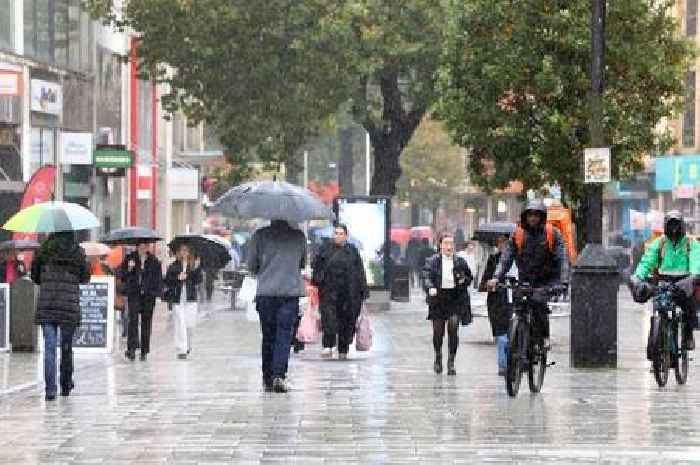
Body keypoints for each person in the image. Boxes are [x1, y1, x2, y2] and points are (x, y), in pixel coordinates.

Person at [487, 200, 569, 350]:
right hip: (525, 279)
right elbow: (506, 258)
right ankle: (518, 342)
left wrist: (563, 281)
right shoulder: (518, 234)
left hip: (546, 280)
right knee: (518, 306)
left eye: (536, 215)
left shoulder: (552, 233)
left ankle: (544, 337)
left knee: (538, 304)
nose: (533, 219)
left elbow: (563, 258)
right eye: (530, 215)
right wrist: (496, 277)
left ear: (542, 217)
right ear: (525, 216)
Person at [630, 210, 700, 357]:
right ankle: (655, 345)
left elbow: (696, 262)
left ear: (682, 226)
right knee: (659, 308)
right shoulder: (659, 243)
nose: (674, 229)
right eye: (671, 225)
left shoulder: (691, 244)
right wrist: (637, 277)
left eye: (677, 225)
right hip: (663, 280)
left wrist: (692, 277)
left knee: (688, 308)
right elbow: (646, 261)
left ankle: (687, 335)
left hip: (685, 281)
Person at [30, 231, 90, 401]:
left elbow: (35, 276)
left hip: (48, 304)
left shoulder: (44, 251)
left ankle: (50, 389)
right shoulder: (77, 252)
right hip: (68, 305)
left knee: (49, 347)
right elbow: (85, 277)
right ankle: (65, 384)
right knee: (66, 346)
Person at [248, 219, 306, 393]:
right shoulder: (298, 237)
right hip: (289, 292)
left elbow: (252, 265)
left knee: (268, 335)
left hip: (266, 292)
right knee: (284, 335)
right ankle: (278, 375)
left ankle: (267, 376)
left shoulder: (259, 236)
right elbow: (302, 263)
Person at [311, 223, 369, 360]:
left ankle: (343, 348)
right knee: (329, 319)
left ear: (346, 236)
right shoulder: (325, 249)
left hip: (349, 293)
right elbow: (317, 267)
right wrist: (317, 281)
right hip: (329, 291)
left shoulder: (352, 251)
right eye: (335, 233)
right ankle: (328, 345)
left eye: (340, 233)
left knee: (347, 321)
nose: (337, 236)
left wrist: (363, 290)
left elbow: (360, 271)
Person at [422, 233, 473, 375]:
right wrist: (430, 287)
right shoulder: (432, 261)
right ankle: (438, 356)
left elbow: (469, 277)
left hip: (455, 299)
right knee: (438, 332)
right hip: (438, 299)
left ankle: (451, 360)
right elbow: (426, 276)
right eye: (446, 243)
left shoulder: (460, 261)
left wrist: (464, 280)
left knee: (453, 327)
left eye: (451, 244)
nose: (449, 247)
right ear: (440, 245)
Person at [118, 242, 163, 362]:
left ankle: (144, 350)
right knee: (133, 321)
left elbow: (158, 278)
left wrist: (156, 293)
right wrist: (129, 268)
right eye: (141, 246)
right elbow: (121, 275)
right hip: (134, 294)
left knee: (146, 323)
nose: (143, 248)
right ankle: (131, 349)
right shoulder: (130, 258)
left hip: (148, 296)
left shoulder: (154, 260)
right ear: (137, 247)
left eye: (146, 246)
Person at [479, 234, 515, 376]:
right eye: (500, 243)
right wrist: (490, 283)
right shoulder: (493, 259)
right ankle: (503, 365)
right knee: (502, 335)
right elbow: (483, 283)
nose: (503, 245)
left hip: (517, 299)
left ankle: (516, 362)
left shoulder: (521, 259)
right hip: (498, 301)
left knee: (515, 333)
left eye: (506, 242)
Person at [164, 244, 202, 359]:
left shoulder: (194, 265)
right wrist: (177, 278)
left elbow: (198, 281)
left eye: (186, 250)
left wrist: (196, 268)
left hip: (190, 298)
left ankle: (188, 345)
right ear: (179, 252)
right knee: (180, 323)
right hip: (177, 298)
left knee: (189, 324)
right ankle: (181, 349)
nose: (184, 252)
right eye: (182, 250)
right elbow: (167, 281)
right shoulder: (173, 266)